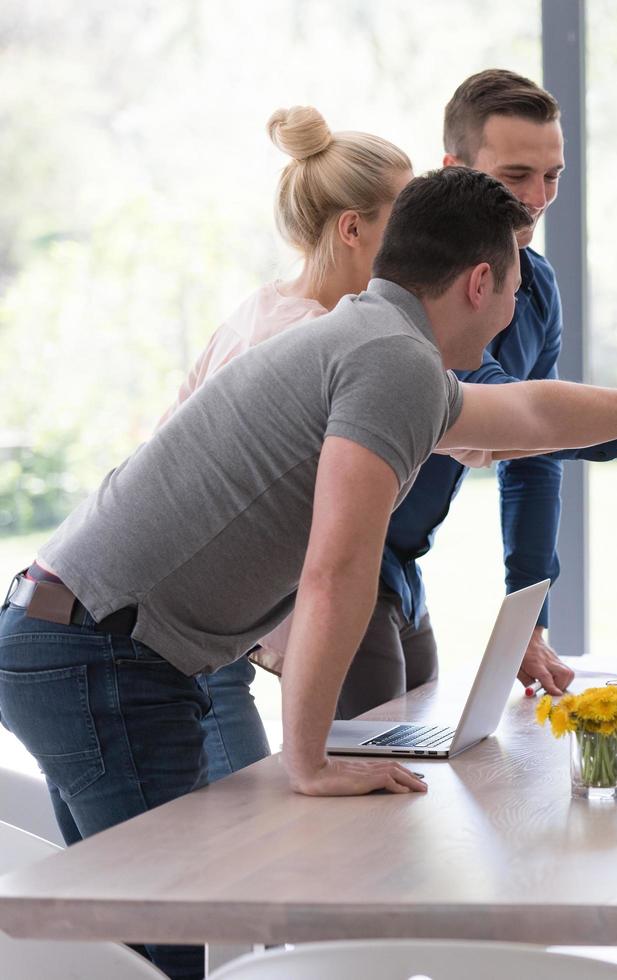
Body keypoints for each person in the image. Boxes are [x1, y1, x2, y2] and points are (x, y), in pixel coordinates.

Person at [0, 165, 617, 980]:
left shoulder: (376, 342)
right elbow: (338, 568)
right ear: (477, 282)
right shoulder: (391, 362)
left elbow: (531, 415)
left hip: (74, 637)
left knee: (123, 950)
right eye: (511, 291)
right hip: (102, 655)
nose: (512, 314)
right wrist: (312, 761)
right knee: (166, 949)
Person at [356, 68, 617, 721]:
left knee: (425, 756)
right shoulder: (420, 285)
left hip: (402, 562)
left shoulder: (537, 286)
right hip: (345, 555)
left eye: (552, 176)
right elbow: (509, 412)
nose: (536, 198)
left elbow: (532, 456)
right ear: (453, 169)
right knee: (375, 769)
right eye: (514, 176)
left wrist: (529, 614)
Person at [152, 105, 414, 785]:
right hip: (192, 639)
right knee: (252, 820)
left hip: (210, 630)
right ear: (354, 229)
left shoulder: (263, 309)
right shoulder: (314, 341)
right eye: (406, 221)